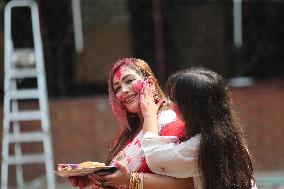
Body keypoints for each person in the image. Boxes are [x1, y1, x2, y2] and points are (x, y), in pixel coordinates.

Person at [69, 58, 193, 189]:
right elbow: (122, 181)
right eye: (117, 88)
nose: (123, 90)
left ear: (149, 82)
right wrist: (97, 178)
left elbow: (187, 183)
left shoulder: (170, 123)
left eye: (129, 81)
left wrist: (131, 179)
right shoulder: (127, 134)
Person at [141, 67, 256, 189]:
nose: (170, 104)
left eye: (175, 100)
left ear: (194, 107)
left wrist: (149, 115)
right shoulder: (230, 137)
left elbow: (154, 157)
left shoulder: (203, 146)